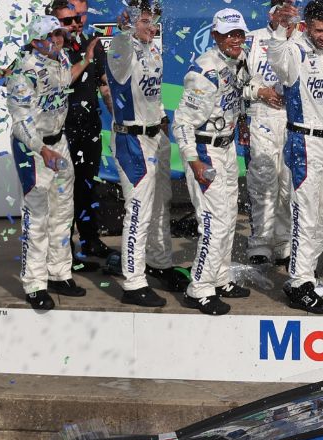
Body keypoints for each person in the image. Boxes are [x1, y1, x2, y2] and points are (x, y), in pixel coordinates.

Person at [266, 0, 323, 314]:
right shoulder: (294, 50)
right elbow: (278, 62)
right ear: (305, 26)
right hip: (302, 142)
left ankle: (307, 275)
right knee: (306, 215)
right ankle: (297, 284)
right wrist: (278, 29)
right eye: (319, 30)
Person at [173, 8, 253, 316]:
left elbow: (237, 95)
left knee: (228, 217)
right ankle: (200, 288)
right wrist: (193, 162)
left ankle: (220, 277)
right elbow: (181, 122)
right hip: (205, 152)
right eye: (228, 34)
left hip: (227, 147)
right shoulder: (203, 72)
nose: (235, 39)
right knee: (213, 223)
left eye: (239, 33)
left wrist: (242, 120)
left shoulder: (238, 60)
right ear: (216, 35)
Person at [106, 0, 178, 308]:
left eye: (154, 21)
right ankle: (133, 283)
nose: (151, 27)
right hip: (131, 141)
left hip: (155, 137)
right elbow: (121, 49)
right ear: (132, 23)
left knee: (162, 205)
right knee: (138, 212)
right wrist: (123, 30)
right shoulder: (120, 50)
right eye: (144, 22)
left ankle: (159, 263)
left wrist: (162, 121)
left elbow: (154, 93)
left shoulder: (153, 49)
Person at [6, 16, 81, 310]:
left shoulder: (60, 58)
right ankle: (35, 284)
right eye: (53, 35)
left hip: (58, 141)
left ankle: (59, 272)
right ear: (37, 41)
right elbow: (20, 122)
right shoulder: (23, 72)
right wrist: (41, 148)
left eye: (60, 34)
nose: (59, 39)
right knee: (36, 217)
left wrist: (85, 60)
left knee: (63, 211)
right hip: (33, 148)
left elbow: (64, 84)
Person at [53, 0, 114, 265]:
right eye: (69, 19)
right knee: (63, 192)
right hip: (60, 130)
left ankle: (90, 240)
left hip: (89, 128)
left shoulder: (92, 42)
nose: (76, 23)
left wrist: (120, 119)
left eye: (80, 16)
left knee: (87, 185)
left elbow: (104, 85)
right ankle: (63, 248)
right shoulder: (48, 46)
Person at [244, 1, 300, 266]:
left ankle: (283, 242)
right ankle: (260, 243)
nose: (287, 15)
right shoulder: (252, 40)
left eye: (291, 10)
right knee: (264, 183)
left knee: (288, 184)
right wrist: (260, 91)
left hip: (293, 119)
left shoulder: (302, 38)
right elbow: (235, 82)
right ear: (272, 13)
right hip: (262, 117)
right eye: (282, 11)